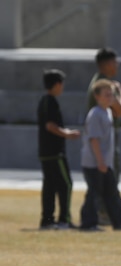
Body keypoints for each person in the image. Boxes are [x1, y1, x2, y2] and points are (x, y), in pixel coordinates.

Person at [79, 79, 121, 232]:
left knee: (111, 192)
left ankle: (120, 222)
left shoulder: (108, 112)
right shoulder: (95, 114)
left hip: (105, 162)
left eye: (111, 94)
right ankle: (88, 223)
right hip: (95, 162)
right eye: (106, 95)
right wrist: (100, 162)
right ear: (97, 97)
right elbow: (94, 140)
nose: (110, 98)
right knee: (94, 192)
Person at [87, 48, 121, 225]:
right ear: (107, 64)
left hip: (102, 138)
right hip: (104, 140)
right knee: (105, 179)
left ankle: (102, 214)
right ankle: (102, 214)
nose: (117, 65)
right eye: (114, 62)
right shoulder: (105, 86)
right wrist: (120, 91)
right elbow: (120, 110)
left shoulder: (98, 83)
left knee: (101, 180)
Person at [37, 69, 81, 230]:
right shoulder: (51, 102)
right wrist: (67, 134)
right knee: (65, 184)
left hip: (45, 152)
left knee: (49, 186)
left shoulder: (44, 101)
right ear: (56, 84)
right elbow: (50, 125)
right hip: (55, 152)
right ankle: (64, 219)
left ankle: (47, 220)